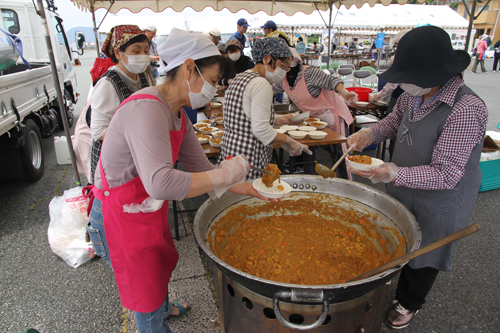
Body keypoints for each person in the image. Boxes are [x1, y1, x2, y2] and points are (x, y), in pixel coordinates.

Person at [86, 28, 277, 333]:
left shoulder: (179, 115)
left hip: (144, 208)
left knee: (158, 267)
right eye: (213, 81)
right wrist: (227, 173)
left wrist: (251, 188)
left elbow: (201, 167)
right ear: (189, 68)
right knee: (144, 295)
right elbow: (161, 183)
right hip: (119, 214)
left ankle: (164, 308)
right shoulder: (146, 108)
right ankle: (155, 321)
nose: (214, 90)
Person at [348, 26, 487, 330]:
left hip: (442, 197)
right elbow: (393, 122)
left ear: (432, 73)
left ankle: (409, 302)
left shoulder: (465, 109)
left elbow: (447, 173)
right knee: (399, 238)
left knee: (426, 252)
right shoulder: (412, 97)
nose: (401, 82)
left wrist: (392, 171)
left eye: (408, 76)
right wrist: (369, 132)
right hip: (405, 187)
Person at [217, 37, 311, 179]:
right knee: (250, 197)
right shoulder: (261, 84)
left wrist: (282, 119)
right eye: (283, 65)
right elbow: (260, 129)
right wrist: (289, 141)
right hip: (249, 157)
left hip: (231, 152)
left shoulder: (240, 78)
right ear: (267, 59)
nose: (284, 71)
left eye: (287, 67)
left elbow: (247, 117)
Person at [273, 48, 357, 177]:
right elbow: (269, 89)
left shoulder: (309, 73)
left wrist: (345, 93)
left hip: (334, 115)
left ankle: (349, 185)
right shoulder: (283, 80)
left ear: (290, 64)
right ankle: (310, 178)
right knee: (308, 148)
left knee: (342, 153)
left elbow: (331, 81)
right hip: (314, 119)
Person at [89, 25, 153, 184]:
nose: (143, 56)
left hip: (136, 156)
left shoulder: (144, 77)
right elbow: (98, 131)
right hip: (113, 163)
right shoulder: (108, 83)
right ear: (118, 53)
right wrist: (135, 135)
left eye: (146, 51)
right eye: (136, 51)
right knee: (118, 202)